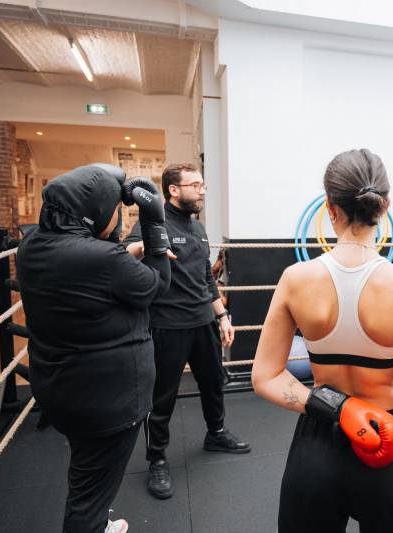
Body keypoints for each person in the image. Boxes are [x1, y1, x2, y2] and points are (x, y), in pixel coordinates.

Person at [252, 149, 393, 533]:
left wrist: (335, 406)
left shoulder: (296, 279)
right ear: (384, 207)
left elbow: (265, 376)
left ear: (330, 209)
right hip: (390, 441)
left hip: (318, 442)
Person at [17, 164, 172, 533]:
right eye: (116, 208)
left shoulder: (33, 245)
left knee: (87, 472)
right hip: (108, 400)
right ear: (96, 209)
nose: (117, 217)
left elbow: (90, 282)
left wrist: (125, 254)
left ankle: (98, 521)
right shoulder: (102, 259)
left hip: (61, 388)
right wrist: (153, 219)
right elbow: (157, 285)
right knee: (90, 496)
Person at [123, 163, 249, 501]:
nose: (203, 190)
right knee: (162, 396)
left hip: (202, 321)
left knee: (213, 383)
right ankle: (157, 459)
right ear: (173, 190)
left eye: (203, 184)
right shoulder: (153, 221)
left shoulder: (199, 228)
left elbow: (205, 275)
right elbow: (122, 257)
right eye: (195, 185)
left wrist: (222, 315)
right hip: (166, 324)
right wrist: (142, 249)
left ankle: (216, 433)